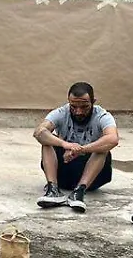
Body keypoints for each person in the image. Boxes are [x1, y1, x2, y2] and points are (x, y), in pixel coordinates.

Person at [34, 82, 118, 212]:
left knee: (103, 148)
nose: (78, 112)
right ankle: (53, 189)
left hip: (93, 176)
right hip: (64, 171)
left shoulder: (102, 115)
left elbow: (113, 139)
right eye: (74, 107)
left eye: (84, 107)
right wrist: (66, 145)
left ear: (93, 102)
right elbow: (39, 132)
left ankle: (79, 192)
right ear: (68, 102)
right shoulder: (62, 112)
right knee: (46, 142)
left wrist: (81, 149)